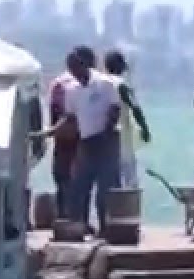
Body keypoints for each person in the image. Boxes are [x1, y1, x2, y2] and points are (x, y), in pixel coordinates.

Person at [61, 45, 123, 231]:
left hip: (107, 140)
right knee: (79, 186)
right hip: (86, 142)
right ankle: (79, 226)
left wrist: (105, 133)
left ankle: (107, 227)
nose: (74, 71)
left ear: (84, 64)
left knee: (106, 188)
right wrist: (52, 131)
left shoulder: (105, 83)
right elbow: (70, 117)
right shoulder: (71, 90)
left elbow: (115, 109)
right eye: (70, 68)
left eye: (76, 66)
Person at [102, 49, 151, 190]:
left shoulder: (100, 82)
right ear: (121, 66)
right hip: (122, 137)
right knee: (129, 179)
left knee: (110, 179)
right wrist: (145, 128)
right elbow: (135, 107)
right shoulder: (122, 84)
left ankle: (110, 210)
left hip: (105, 139)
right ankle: (128, 209)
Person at [45, 55, 82, 218]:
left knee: (62, 179)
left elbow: (54, 112)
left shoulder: (58, 84)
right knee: (78, 181)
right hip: (80, 137)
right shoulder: (83, 83)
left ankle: (63, 218)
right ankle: (77, 218)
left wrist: (54, 131)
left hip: (62, 137)